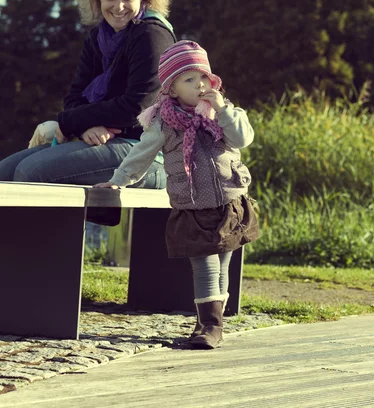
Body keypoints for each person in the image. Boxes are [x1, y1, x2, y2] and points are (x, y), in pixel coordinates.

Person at [95, 40, 260, 349]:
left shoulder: (224, 113)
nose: (199, 85)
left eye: (203, 78)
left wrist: (223, 111)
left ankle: (212, 323)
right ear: (171, 88)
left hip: (229, 202)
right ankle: (209, 325)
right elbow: (141, 154)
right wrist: (119, 180)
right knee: (205, 265)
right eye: (189, 79)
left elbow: (243, 138)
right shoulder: (162, 122)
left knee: (222, 265)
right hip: (193, 206)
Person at [0, 0, 176, 210]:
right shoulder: (98, 38)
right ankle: (9, 251)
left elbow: (138, 108)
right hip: (105, 141)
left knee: (29, 173)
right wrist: (84, 127)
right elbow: (74, 97)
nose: (118, 7)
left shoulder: (151, 35)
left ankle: (48, 252)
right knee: (4, 171)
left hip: (145, 153)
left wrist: (70, 121)